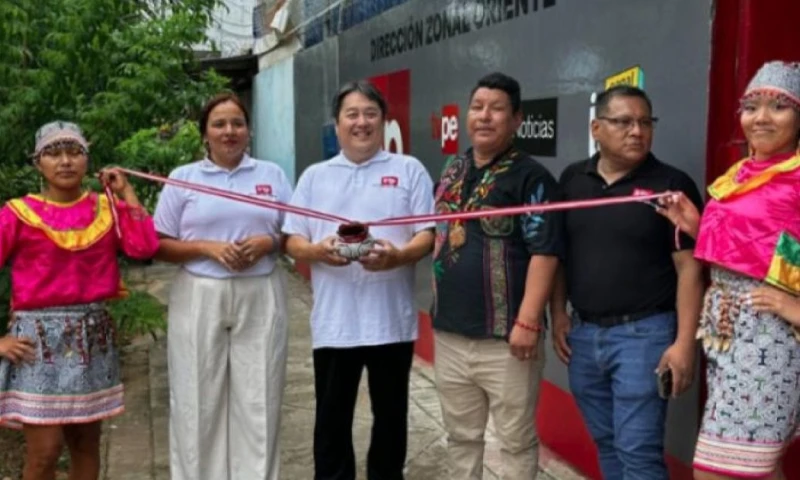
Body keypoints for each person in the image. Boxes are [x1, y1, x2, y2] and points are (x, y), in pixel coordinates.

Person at [550, 85, 705, 479]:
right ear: (596, 128)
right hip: (583, 337)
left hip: (645, 336)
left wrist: (685, 342)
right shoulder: (572, 180)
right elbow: (559, 255)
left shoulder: (670, 186)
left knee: (638, 452)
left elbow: (690, 268)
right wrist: (558, 312)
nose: (637, 131)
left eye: (645, 122)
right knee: (608, 444)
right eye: (624, 122)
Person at [282, 80, 435, 480]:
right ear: (337, 125)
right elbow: (292, 239)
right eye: (352, 114)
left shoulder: (408, 170)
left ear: (384, 120)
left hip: (391, 323)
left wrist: (399, 256)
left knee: (391, 420)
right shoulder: (315, 177)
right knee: (331, 422)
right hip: (335, 325)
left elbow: (428, 234)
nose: (361, 122)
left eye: (370, 113)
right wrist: (317, 252)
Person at [658, 61, 800, 480]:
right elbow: (758, 246)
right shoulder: (738, 175)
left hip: (769, 341)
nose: (761, 117)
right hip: (725, 335)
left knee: (719, 474)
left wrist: (794, 307)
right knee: (757, 470)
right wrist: (698, 228)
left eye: (779, 106)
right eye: (751, 105)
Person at [0, 121, 159, 480]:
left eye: (75, 152)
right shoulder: (16, 214)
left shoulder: (106, 209)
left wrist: (126, 193)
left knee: (86, 447)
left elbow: (144, 247)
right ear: (37, 163)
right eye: (53, 153)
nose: (65, 161)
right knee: (45, 452)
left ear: (87, 161)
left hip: (93, 341)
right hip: (36, 345)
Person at [430, 72, 563, 480]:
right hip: (450, 333)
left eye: (497, 109)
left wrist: (527, 321)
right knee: (461, 437)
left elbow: (546, 252)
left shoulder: (531, 178)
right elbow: (438, 235)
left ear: (517, 119)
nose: (484, 117)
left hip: (507, 340)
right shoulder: (454, 168)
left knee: (515, 441)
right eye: (477, 107)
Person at [153, 93, 292, 480]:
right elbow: (158, 244)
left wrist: (269, 242)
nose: (229, 132)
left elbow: (294, 234)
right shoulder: (183, 179)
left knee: (259, 399)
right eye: (219, 124)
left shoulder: (271, 175)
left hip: (261, 291)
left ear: (248, 130)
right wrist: (205, 248)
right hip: (200, 292)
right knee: (197, 398)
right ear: (204, 134)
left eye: (237, 123)